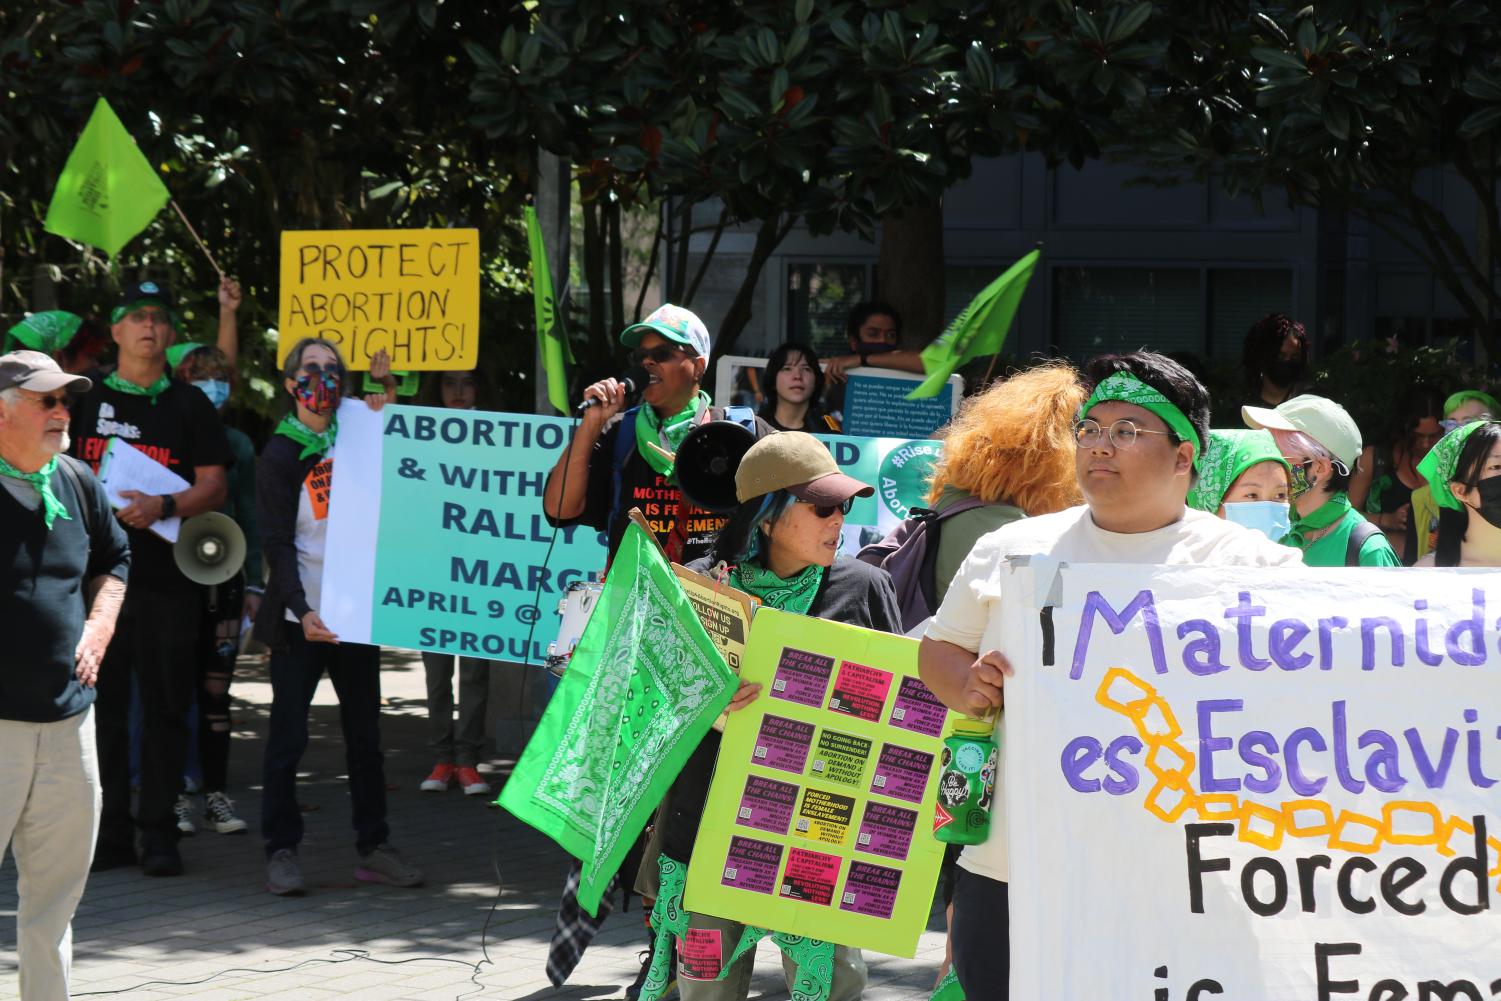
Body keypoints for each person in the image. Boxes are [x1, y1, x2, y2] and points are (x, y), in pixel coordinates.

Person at [917, 351, 1302, 1001]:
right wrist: (966, 682)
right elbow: (938, 649)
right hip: (1014, 873)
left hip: (1178, 881)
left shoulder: (1253, 565)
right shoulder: (1010, 550)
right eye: (1090, 429)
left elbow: (1307, 692)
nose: (1099, 444)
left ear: (1183, 457)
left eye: (1126, 431)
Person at [639, 431, 901, 1001]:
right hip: (707, 826)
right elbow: (646, 704)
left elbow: (902, 716)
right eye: (823, 506)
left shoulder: (863, 587)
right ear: (765, 517)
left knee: (835, 986)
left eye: (846, 506)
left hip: (818, 828)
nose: (839, 520)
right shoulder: (700, 584)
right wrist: (703, 697)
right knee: (705, 989)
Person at [69, 279, 231, 877]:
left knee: (166, 707)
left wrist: (162, 507)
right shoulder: (82, 398)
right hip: (91, 581)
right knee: (102, 710)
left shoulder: (189, 405)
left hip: (167, 582)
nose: (149, 326)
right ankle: (109, 835)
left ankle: (159, 834)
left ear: (169, 333)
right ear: (115, 331)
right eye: (136, 316)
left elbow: (214, 484)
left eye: (159, 318)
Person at [254, 340, 422, 896]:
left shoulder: (355, 434)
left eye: (332, 369)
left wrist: (385, 403)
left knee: (365, 737)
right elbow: (277, 545)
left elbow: (396, 467)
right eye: (311, 369)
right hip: (302, 620)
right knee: (288, 737)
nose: (322, 377)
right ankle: (281, 850)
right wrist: (301, 611)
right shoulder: (280, 455)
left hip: (354, 618)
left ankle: (375, 846)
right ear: (289, 383)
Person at [0, 351, 129, 1001]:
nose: (62, 412)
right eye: (46, 400)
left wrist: (100, 624)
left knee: (52, 910)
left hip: (69, 724)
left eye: (65, 401)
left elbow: (117, 558)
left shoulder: (77, 480)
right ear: (3, 409)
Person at [544, 303, 767, 566]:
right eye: (640, 356)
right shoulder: (617, 432)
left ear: (698, 366)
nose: (647, 362)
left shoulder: (741, 431)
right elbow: (560, 509)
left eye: (662, 353)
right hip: (634, 601)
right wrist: (592, 423)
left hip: (716, 602)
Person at [165, 343, 257, 835]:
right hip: (175, 579)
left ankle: (217, 795)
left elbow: (253, 516)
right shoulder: (169, 434)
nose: (212, 386)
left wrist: (256, 584)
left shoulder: (239, 445)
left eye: (220, 378)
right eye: (200, 377)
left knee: (217, 691)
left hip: (226, 575)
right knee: (177, 690)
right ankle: (177, 795)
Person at [923, 361, 1086, 608]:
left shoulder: (964, 495)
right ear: (1051, 450)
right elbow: (1053, 613)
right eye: (1084, 431)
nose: (1094, 448)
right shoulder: (1005, 525)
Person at [417, 368, 492, 797]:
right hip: (435, 573)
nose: (459, 392)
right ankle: (443, 757)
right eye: (450, 383)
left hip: (479, 576)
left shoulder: (497, 434)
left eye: (467, 382)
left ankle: (468, 760)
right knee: (435, 672)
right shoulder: (424, 435)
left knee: (475, 673)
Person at [1243, 395, 1400, 568]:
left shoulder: (1369, 550)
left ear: (1320, 468)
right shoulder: (1273, 529)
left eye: (1277, 455)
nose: (1264, 463)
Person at [1348, 389, 1444, 562]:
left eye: (1434, 435)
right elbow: (1345, 514)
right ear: (1403, 428)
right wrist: (1385, 520)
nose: (1425, 443)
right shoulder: (1375, 459)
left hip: (1440, 562)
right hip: (1384, 562)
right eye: (1417, 436)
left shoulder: (1452, 461)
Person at [1408, 389, 1501, 563]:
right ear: (1460, 491)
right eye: (1451, 424)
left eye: (1473, 422)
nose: (1461, 431)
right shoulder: (1429, 573)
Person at [1185, 429, 1295, 542]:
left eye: (1280, 495)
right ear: (1210, 497)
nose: (1268, 512)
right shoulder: (1178, 558)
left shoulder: (1292, 557)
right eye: (1252, 495)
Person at [821, 302, 926, 384]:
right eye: (873, 334)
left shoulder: (908, 367)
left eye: (891, 335)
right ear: (853, 342)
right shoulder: (838, 373)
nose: (883, 340)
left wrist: (862, 359)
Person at [1234, 313, 1310, 417]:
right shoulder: (1243, 409)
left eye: (1295, 357)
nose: (1287, 362)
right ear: (1261, 356)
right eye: (1279, 357)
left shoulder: (1310, 404)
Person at [757, 342, 840, 432]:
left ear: (816, 380)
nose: (797, 376)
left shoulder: (828, 430)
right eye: (787, 368)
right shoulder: (757, 428)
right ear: (773, 379)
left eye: (806, 369)